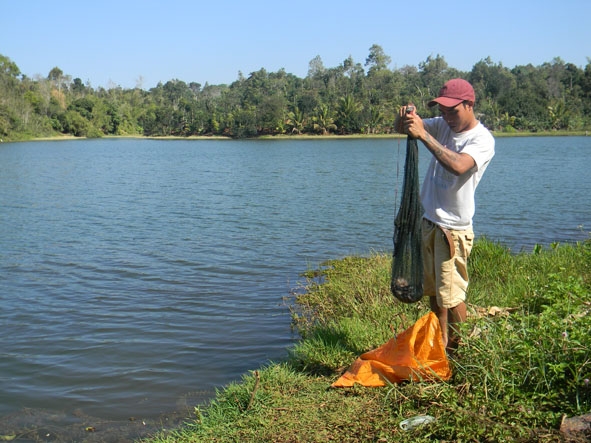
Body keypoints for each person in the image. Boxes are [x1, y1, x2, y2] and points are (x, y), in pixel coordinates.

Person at [394, 78, 495, 352]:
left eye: (453, 110)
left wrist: (424, 135)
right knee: (435, 295)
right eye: (443, 110)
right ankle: (441, 347)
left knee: (452, 296)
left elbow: (460, 166)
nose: (447, 116)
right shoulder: (442, 125)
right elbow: (406, 128)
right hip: (428, 223)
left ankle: (461, 350)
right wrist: (406, 117)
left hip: (452, 230)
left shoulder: (481, 139)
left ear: (470, 105)